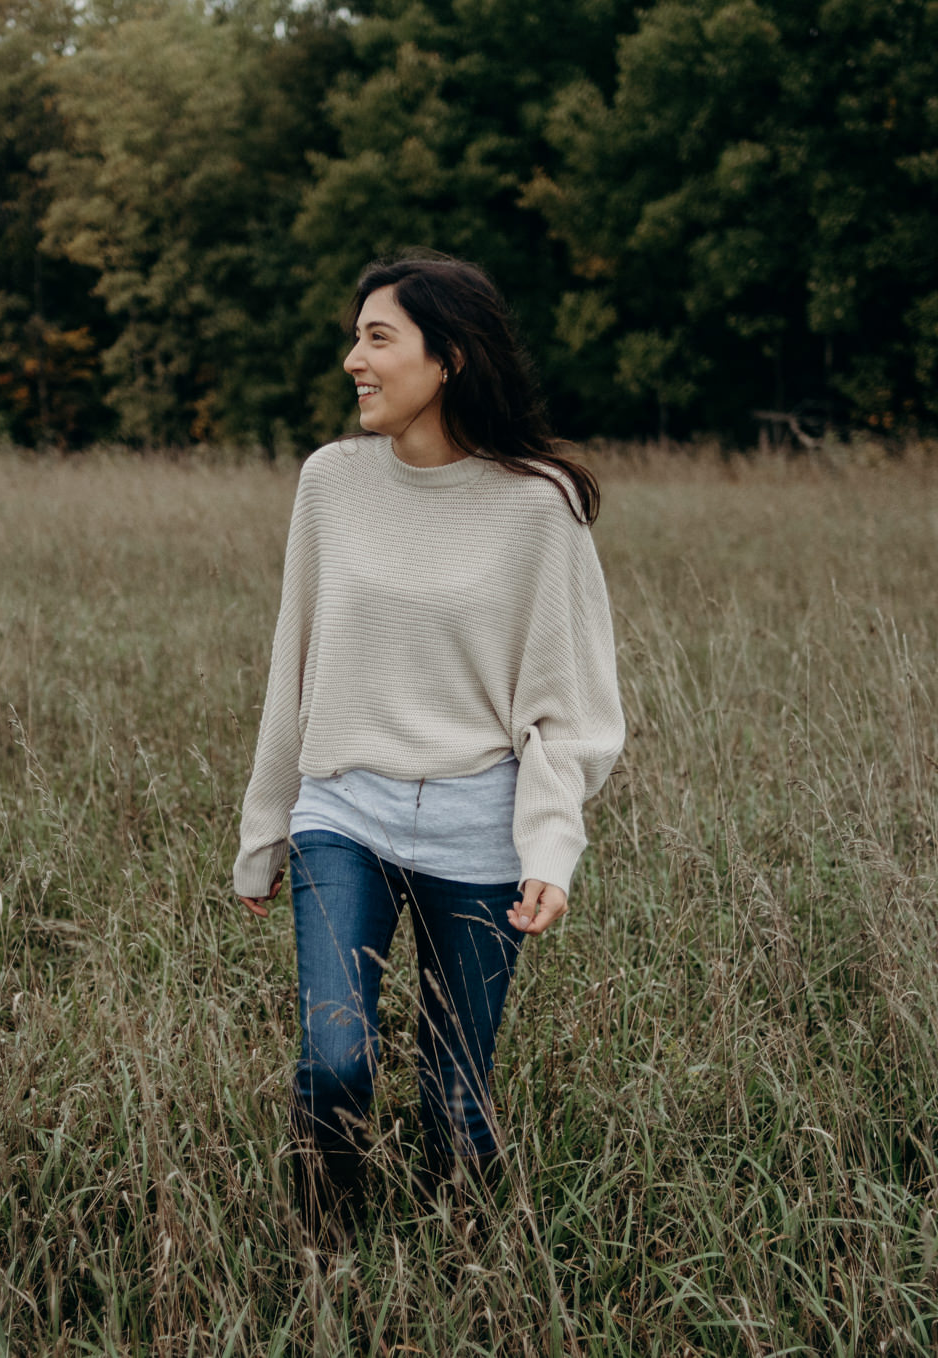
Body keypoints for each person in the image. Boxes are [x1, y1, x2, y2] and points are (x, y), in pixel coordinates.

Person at [234, 254, 625, 1249]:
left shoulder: (541, 504)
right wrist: (264, 829)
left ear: (447, 358)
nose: (353, 359)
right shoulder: (330, 482)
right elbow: (298, 661)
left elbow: (567, 711)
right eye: (356, 337)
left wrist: (548, 849)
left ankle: (473, 1281)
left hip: (477, 824)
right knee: (334, 1063)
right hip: (343, 813)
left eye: (378, 338)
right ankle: (326, 1256)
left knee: (458, 1105)